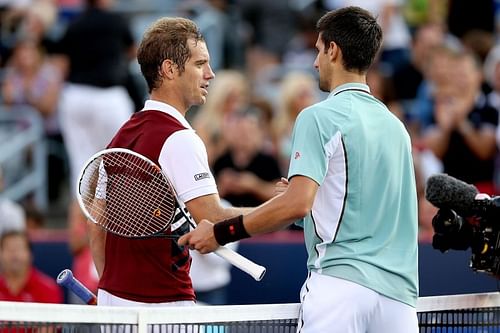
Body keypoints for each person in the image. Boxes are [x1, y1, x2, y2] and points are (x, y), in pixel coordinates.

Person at [179, 6, 419, 333]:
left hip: (340, 287)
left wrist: (221, 232)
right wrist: (308, 202)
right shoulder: (397, 128)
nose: (315, 62)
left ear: (333, 50)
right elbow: (359, 205)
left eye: (318, 50)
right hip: (399, 301)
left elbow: (296, 205)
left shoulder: (317, 116)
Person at [89, 17, 253, 307]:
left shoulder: (121, 135)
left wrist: (111, 293)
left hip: (113, 301)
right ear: (170, 69)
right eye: (200, 64)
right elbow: (213, 217)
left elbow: (97, 225)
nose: (211, 74)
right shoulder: (180, 139)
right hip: (164, 306)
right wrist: (282, 209)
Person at [0, 230, 63, 303]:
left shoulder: (48, 288)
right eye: (9, 249)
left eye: (19, 248)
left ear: (30, 254)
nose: (14, 254)